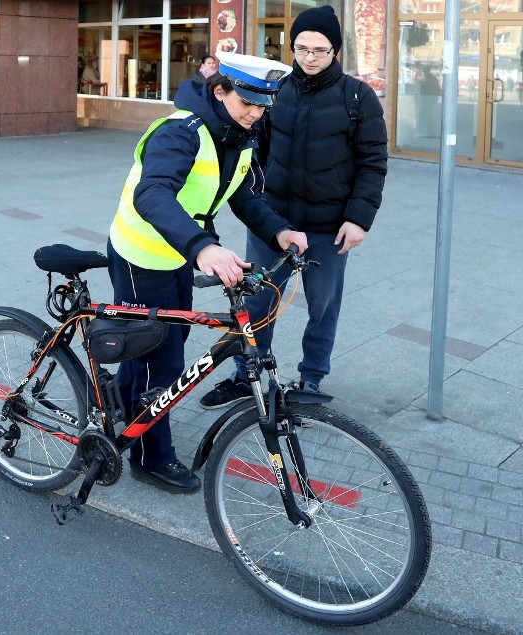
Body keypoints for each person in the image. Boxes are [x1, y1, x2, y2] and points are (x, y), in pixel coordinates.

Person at [107, 51, 308, 493]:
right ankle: (148, 457)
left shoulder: (236, 133)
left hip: (180, 251)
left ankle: (125, 402)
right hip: (143, 253)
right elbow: (153, 194)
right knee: (160, 359)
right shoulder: (181, 132)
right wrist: (204, 249)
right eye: (246, 105)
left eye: (261, 108)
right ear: (220, 91)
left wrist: (280, 232)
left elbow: (244, 196)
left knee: (165, 341)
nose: (254, 116)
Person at [201, 5, 388, 409]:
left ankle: (311, 380)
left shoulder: (358, 96)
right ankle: (244, 376)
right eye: (302, 48)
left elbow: (373, 162)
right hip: (274, 222)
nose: (309, 58)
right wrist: (258, 205)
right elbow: (254, 149)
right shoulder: (277, 88)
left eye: (320, 50)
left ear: (335, 50)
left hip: (329, 226)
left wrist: (359, 219)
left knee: (322, 307)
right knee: (257, 302)